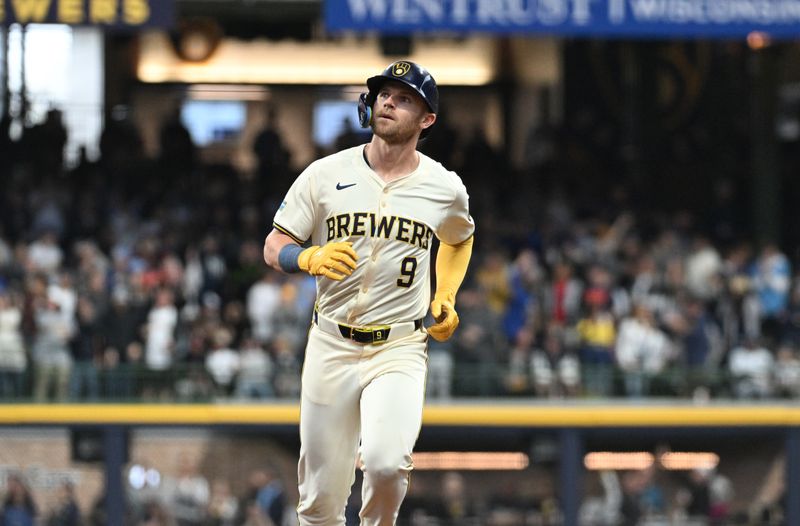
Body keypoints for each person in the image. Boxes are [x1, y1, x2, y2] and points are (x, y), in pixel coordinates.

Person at [263, 60, 475, 525]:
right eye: (384, 94)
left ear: (426, 120)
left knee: (384, 464)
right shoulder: (324, 174)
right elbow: (274, 245)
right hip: (331, 343)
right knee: (320, 500)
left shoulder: (444, 187)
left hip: (398, 345)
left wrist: (447, 295)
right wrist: (306, 258)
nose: (389, 103)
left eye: (404, 99)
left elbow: (459, 237)